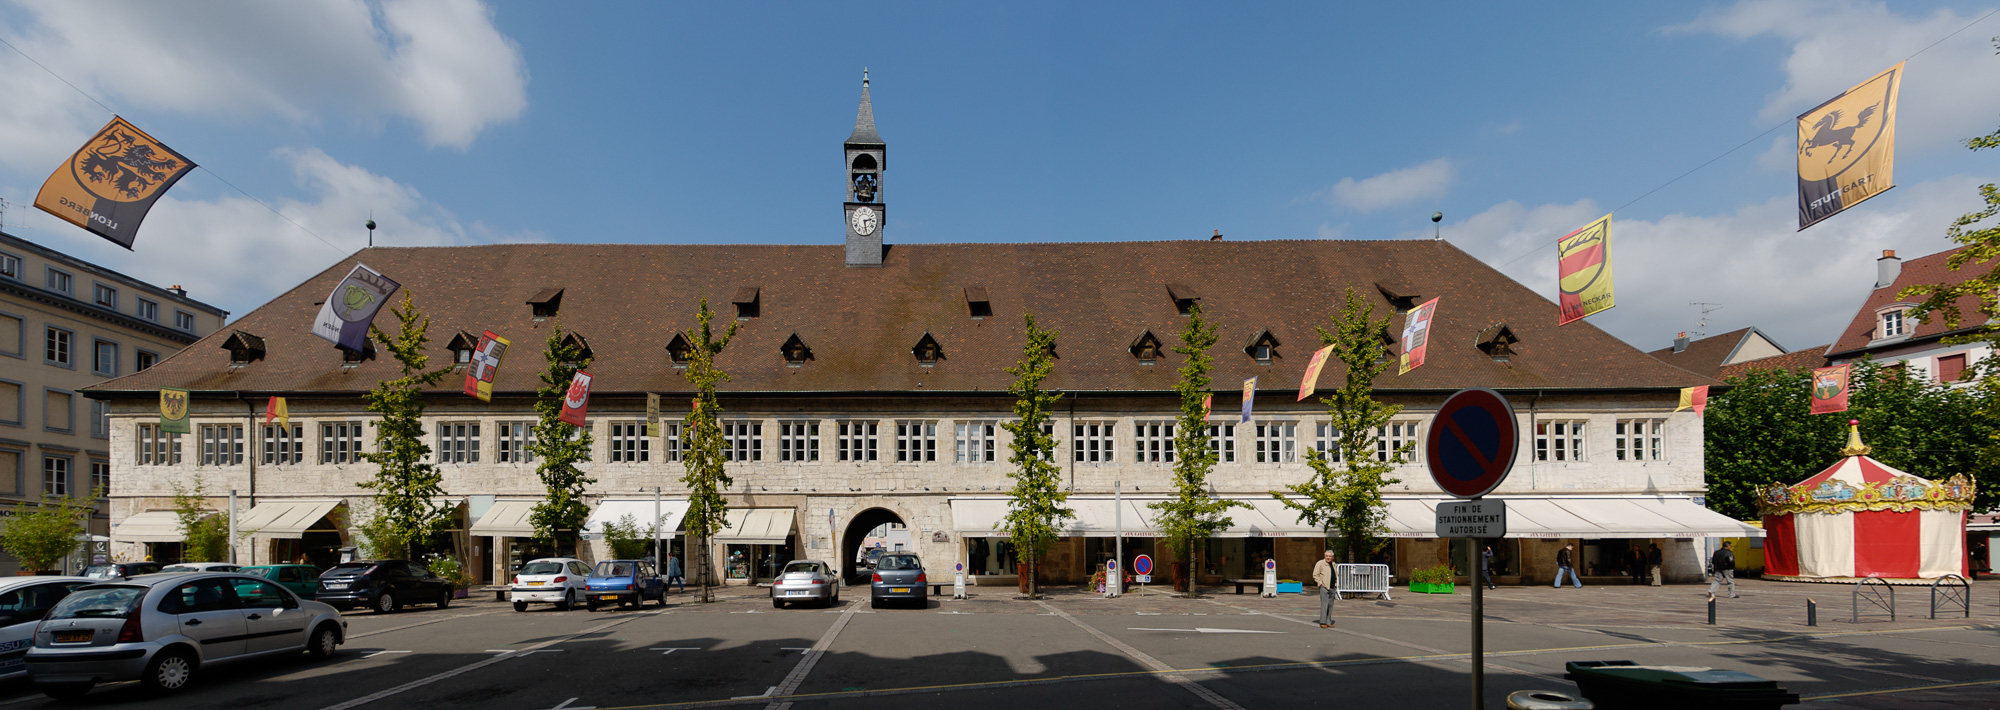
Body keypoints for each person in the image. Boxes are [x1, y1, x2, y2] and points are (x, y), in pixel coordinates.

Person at [1311, 549, 1337, 629]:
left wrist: (1335, 584)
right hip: (1324, 587)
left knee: (1330, 605)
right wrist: (1320, 584)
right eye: (1326, 556)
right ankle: (1323, 621)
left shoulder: (1333, 564)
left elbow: (1335, 575)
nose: (1328, 557)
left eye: (1329, 556)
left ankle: (1328, 621)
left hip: (1332, 587)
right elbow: (1315, 574)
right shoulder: (1320, 563)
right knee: (1324, 604)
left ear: (1332, 557)